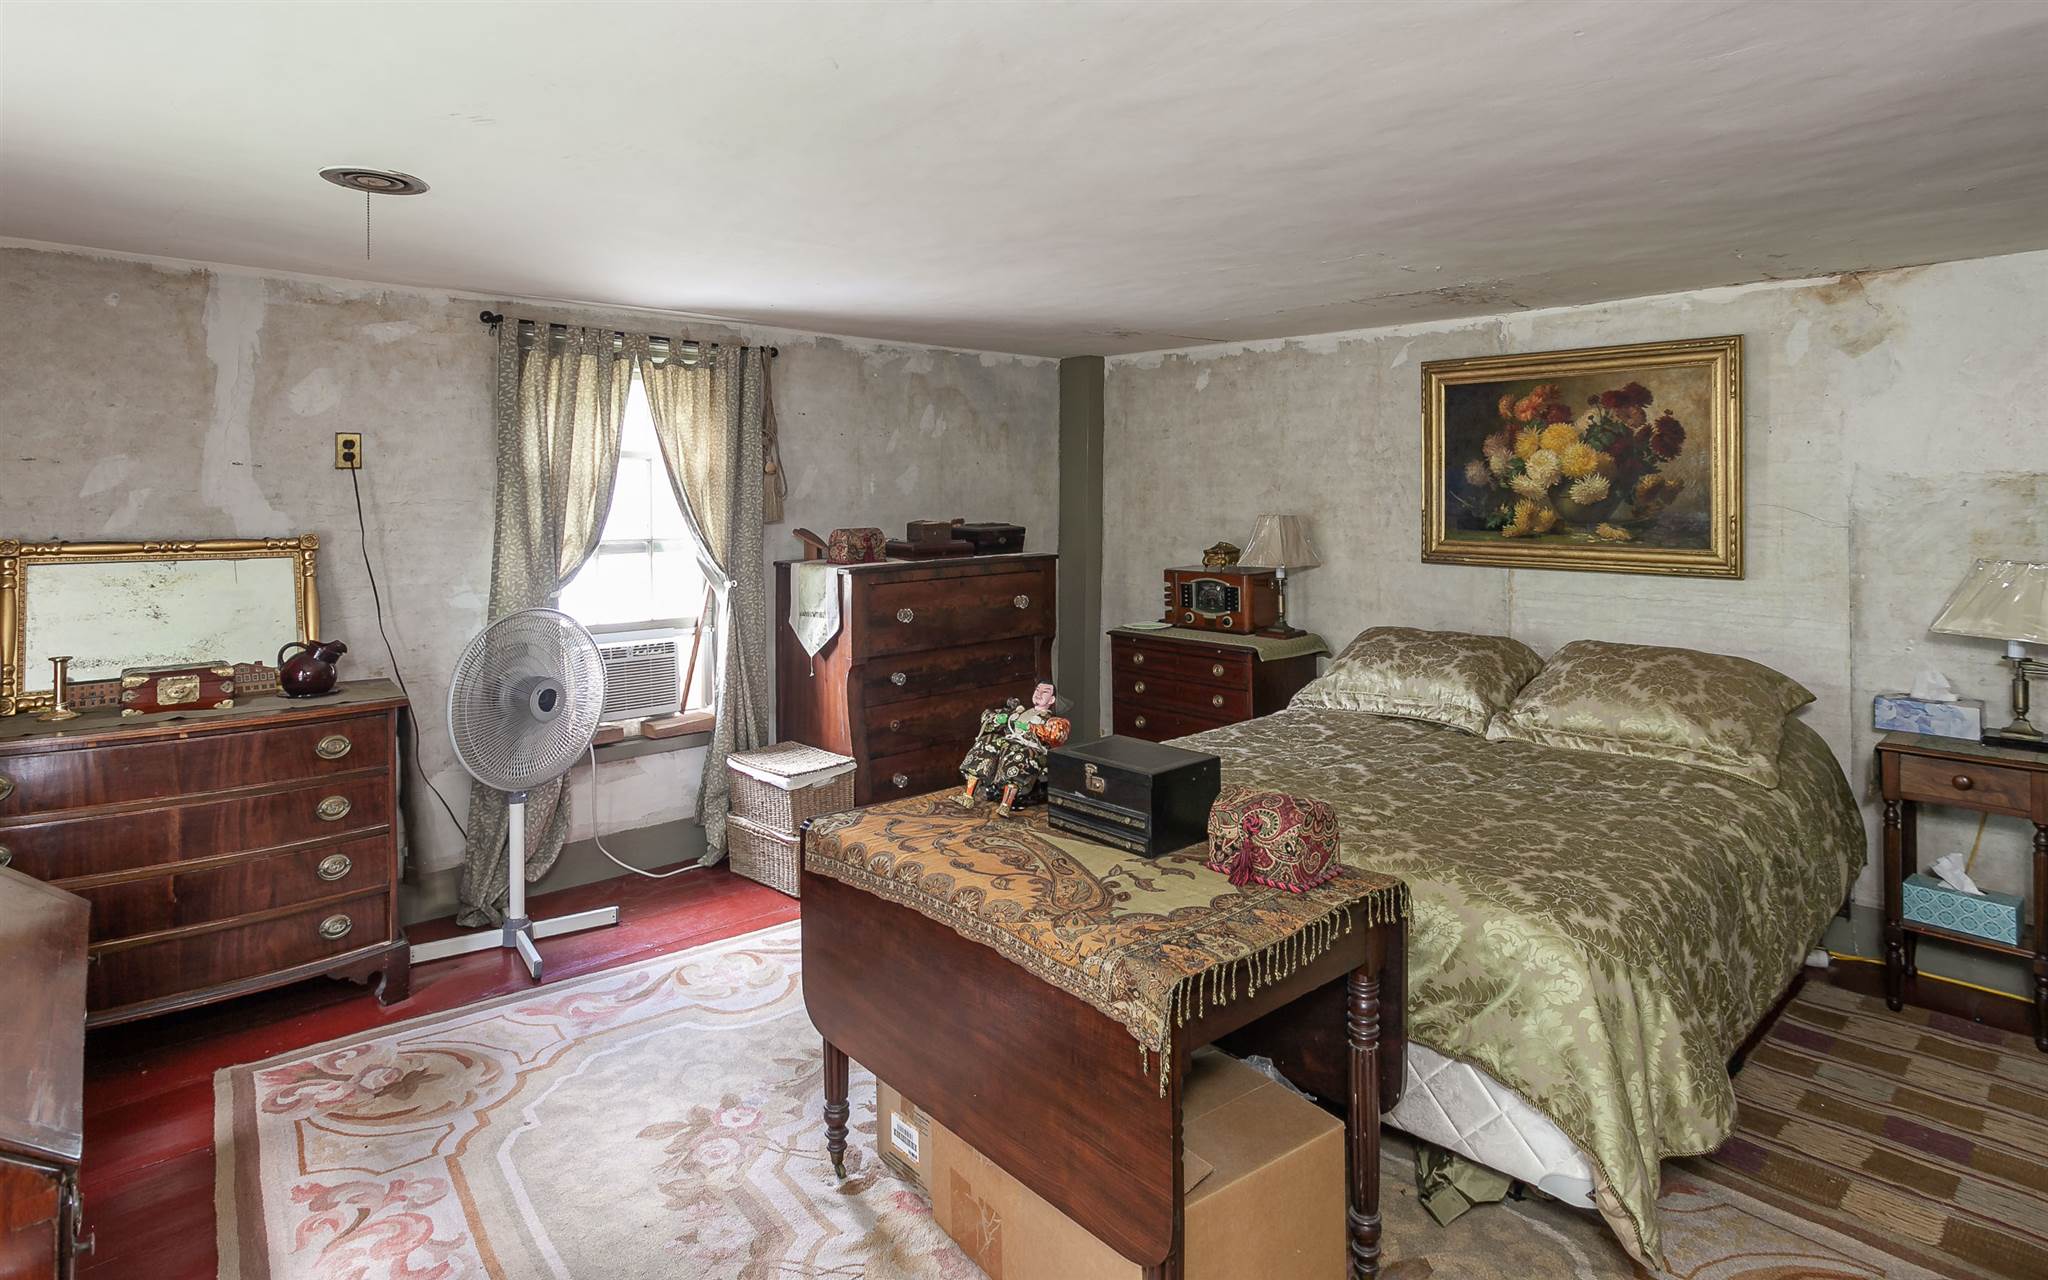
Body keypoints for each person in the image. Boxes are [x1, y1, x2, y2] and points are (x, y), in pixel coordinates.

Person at [955, 681, 1072, 814]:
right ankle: (968, 795)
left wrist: (1032, 728)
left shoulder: (1052, 720)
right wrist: (998, 719)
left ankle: (1006, 804)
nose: (1039, 694)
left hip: (1031, 749)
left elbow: (1057, 736)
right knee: (987, 742)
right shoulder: (1019, 712)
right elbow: (989, 720)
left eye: (1044, 692)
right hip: (1009, 742)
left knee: (1018, 754)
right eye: (1037, 690)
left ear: (1052, 699)